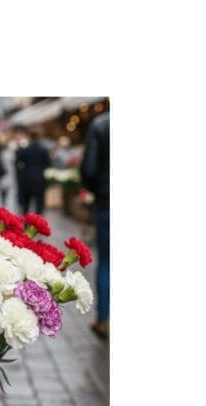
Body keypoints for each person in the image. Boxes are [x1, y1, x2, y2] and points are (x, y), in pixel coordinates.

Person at [80, 111, 110, 341]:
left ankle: (103, 320)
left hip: (107, 202)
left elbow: (89, 170)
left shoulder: (102, 124)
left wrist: (95, 189)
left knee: (107, 263)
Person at [15, 130, 52, 214]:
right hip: (39, 178)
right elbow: (48, 164)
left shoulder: (25, 149)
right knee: (39, 203)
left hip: (27, 178)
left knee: (26, 204)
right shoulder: (43, 150)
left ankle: (26, 220)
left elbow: (18, 162)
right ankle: (38, 220)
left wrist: (22, 171)